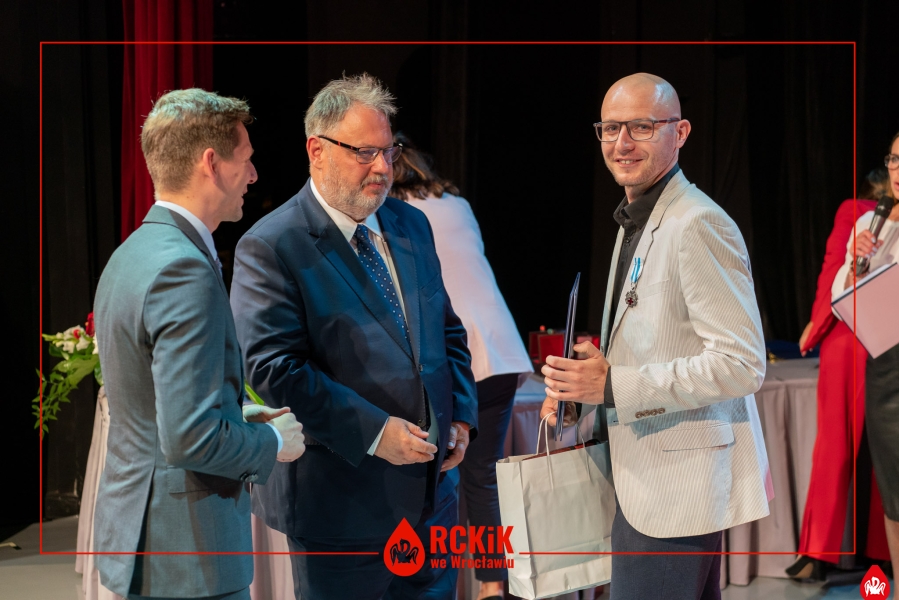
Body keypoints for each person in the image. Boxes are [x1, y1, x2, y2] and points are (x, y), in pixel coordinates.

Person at [229, 74, 478, 600]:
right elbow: (272, 369)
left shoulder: (411, 224)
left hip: (433, 499)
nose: (384, 168)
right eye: (365, 153)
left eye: (389, 152)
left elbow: (447, 332)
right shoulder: (272, 244)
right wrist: (375, 432)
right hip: (340, 508)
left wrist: (460, 415)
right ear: (316, 150)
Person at [540, 73, 773, 600]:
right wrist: (587, 382)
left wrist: (613, 385)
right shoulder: (637, 217)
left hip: (677, 487)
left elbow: (741, 364)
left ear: (680, 132)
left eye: (641, 127)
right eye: (611, 128)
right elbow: (659, 339)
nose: (622, 143)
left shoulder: (698, 222)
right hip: (644, 475)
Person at [92, 89, 306, 600]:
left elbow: (153, 405)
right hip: (187, 557)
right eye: (246, 159)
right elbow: (189, 438)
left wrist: (237, 414)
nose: (253, 176)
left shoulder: (132, 252)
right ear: (211, 163)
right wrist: (273, 443)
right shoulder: (184, 269)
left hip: (148, 539)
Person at [390, 133, 533, 600]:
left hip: (454, 352)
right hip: (501, 347)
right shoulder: (457, 203)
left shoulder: (393, 213)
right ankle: (492, 587)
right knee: (483, 475)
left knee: (441, 475)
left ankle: (435, 584)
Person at [787, 167, 887, 581]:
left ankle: (882, 551)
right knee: (836, 442)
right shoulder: (862, 215)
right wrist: (818, 320)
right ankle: (819, 551)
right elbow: (836, 269)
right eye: (894, 161)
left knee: (890, 448)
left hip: (891, 337)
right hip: (851, 331)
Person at [833, 133, 899, 583]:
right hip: (888, 370)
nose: (898, 169)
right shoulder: (869, 224)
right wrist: (854, 266)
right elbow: (842, 298)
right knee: (895, 493)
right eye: (894, 159)